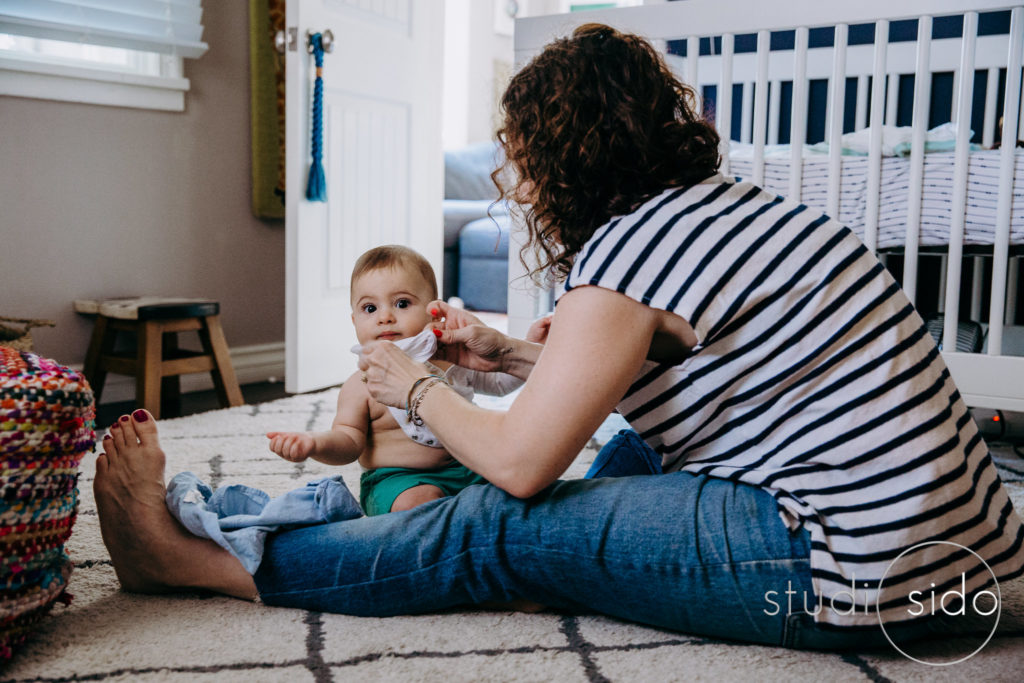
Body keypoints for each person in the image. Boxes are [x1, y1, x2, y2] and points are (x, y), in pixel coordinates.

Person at [94, 23, 1024, 651]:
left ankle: (185, 560)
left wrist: (416, 390)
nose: (518, 182)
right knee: (620, 457)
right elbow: (702, 369)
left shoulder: (627, 248)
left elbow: (524, 464)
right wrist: (508, 357)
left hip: (847, 574)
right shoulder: (726, 213)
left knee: (503, 525)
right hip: (960, 561)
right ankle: (587, 565)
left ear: (563, 152)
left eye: (521, 156)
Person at [265, 244, 520, 516]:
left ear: (433, 311)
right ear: (354, 320)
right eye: (370, 308)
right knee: (420, 506)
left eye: (402, 304)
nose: (385, 317)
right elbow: (348, 442)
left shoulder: (452, 361)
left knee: (518, 486)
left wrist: (527, 347)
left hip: (471, 467)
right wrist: (315, 444)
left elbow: (500, 384)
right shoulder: (361, 385)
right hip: (400, 480)